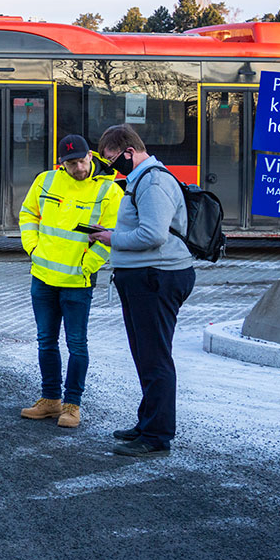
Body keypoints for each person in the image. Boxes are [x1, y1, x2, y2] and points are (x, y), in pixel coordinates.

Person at [91, 124, 194, 458]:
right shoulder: (141, 180)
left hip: (157, 278)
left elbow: (153, 235)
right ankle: (147, 422)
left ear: (129, 151)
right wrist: (114, 232)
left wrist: (111, 239)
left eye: (112, 159)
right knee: (145, 355)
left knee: (155, 357)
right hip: (145, 277)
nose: (110, 166)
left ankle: (156, 436)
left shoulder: (153, 181)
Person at [17, 134, 122, 429]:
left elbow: (110, 236)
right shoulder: (47, 180)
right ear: (62, 163)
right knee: (46, 341)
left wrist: (87, 266)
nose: (78, 168)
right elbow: (28, 214)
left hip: (78, 281)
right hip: (43, 277)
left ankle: (72, 405)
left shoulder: (108, 190)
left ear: (91, 156)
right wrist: (33, 248)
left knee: (77, 345)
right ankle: (50, 400)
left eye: (81, 161)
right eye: (71, 163)